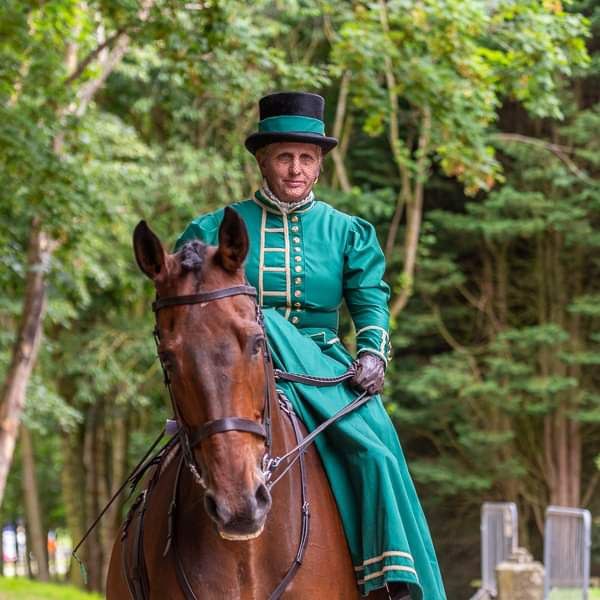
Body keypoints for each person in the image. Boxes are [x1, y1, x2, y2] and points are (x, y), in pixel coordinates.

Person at [175, 92, 446, 600]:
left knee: (376, 452)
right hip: (235, 367)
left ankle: (390, 582)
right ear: (262, 161)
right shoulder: (212, 229)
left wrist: (371, 353)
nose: (295, 168)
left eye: (306, 158)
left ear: (319, 165)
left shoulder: (347, 232)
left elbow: (370, 302)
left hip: (321, 367)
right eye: (284, 157)